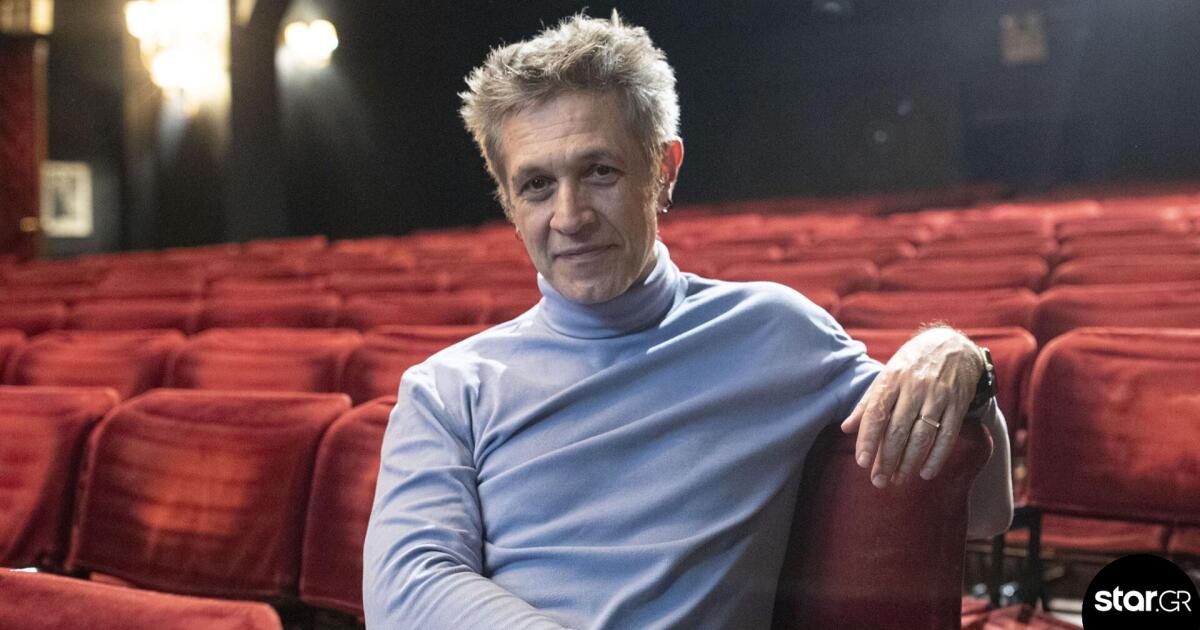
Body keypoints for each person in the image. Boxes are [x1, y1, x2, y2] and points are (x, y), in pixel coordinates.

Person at [363, 12, 1012, 629]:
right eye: (536, 185)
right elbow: (408, 588)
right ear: (509, 202)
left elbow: (983, 509)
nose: (569, 216)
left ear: (664, 171)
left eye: (599, 171)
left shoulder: (774, 333)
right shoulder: (446, 390)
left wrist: (961, 363)